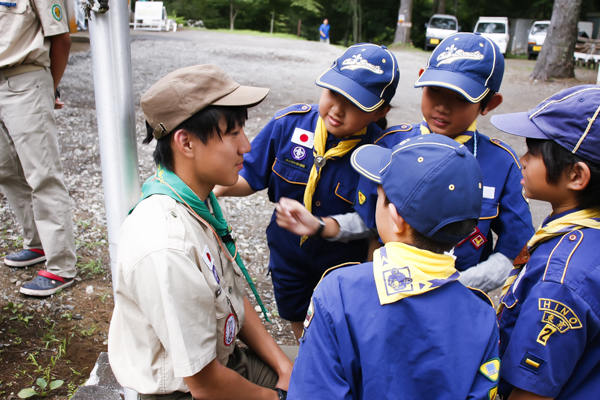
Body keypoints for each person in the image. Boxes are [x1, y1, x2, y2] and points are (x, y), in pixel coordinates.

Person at [108, 65, 293, 400]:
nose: (248, 147)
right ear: (186, 142)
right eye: (233, 133)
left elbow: (229, 297)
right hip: (187, 391)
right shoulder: (166, 244)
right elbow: (205, 384)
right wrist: (277, 397)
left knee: (319, 374)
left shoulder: (195, 201)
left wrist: (285, 367)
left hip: (225, 362)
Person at [287, 134, 501, 400]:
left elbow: (314, 391)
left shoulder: (340, 292)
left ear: (396, 217)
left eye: (379, 195)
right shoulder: (481, 315)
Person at [214, 43, 399, 340]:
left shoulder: (381, 153)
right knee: (297, 314)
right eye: (333, 94)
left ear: (380, 112)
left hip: (343, 261)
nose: (338, 109)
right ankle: (305, 349)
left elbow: (374, 225)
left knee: (342, 325)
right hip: (289, 252)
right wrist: (211, 189)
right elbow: (249, 175)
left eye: (355, 104)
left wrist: (364, 275)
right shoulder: (288, 125)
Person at [354, 32, 535, 293]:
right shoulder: (390, 144)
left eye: (461, 98)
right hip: (386, 287)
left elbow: (513, 251)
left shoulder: (501, 163)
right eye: (434, 90)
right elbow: (369, 225)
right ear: (421, 79)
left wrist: (453, 287)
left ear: (489, 103)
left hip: (459, 295)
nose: (442, 106)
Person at [492, 85, 600, 400]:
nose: (522, 160)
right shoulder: (579, 232)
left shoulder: (561, 280)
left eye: (533, 151)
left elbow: (531, 392)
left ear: (576, 176)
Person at [0, 0, 77, 296]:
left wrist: (48, 88)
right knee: (6, 169)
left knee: (42, 174)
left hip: (24, 78)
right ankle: (37, 243)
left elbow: (62, 39)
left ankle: (61, 266)